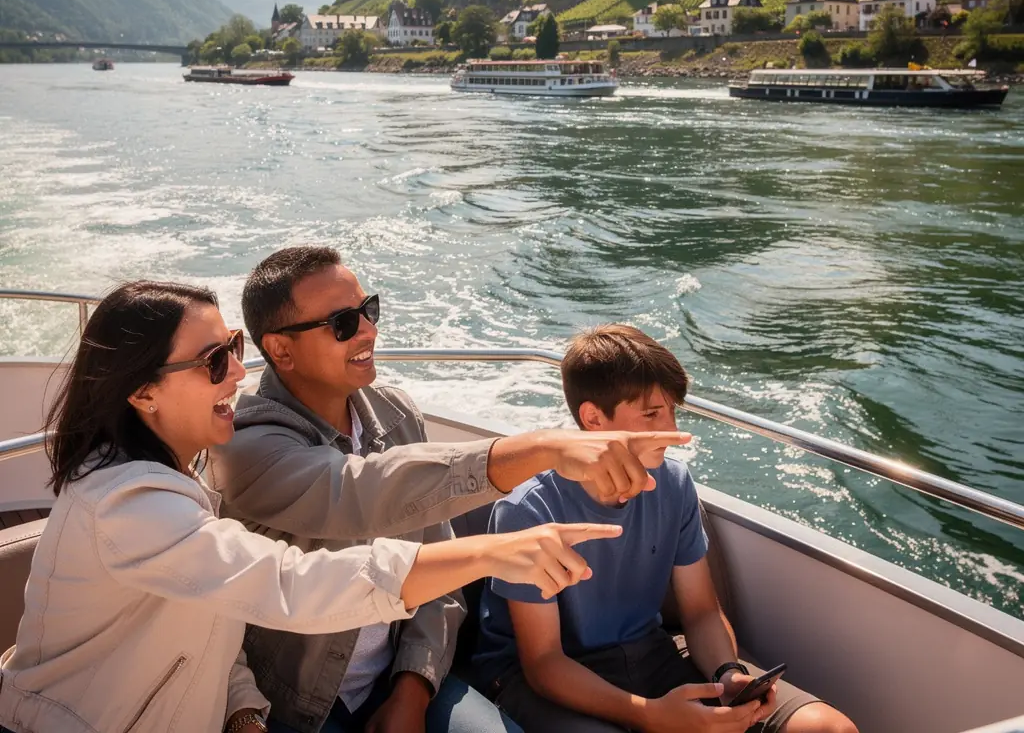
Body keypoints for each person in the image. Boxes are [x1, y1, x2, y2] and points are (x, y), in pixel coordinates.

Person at [0, 281, 629, 733]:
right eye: (215, 361)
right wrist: (494, 549)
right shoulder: (128, 506)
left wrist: (243, 710)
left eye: (235, 349)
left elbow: (212, 624)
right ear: (142, 391)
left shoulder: (184, 474)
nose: (236, 376)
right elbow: (289, 582)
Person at [208, 247, 688, 733]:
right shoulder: (247, 444)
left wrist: (413, 689)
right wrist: (545, 450)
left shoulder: (395, 415)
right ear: (281, 349)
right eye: (343, 323)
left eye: (368, 310)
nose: (369, 330)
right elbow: (364, 493)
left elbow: (440, 574)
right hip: (294, 699)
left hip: (398, 673)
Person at [474, 324, 860, 733]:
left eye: (673, 409)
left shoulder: (674, 484)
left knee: (829, 729)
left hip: (651, 654)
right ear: (593, 418)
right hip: (550, 680)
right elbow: (543, 663)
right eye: (653, 414)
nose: (674, 431)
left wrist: (726, 677)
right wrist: (651, 715)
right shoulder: (527, 509)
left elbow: (700, 611)